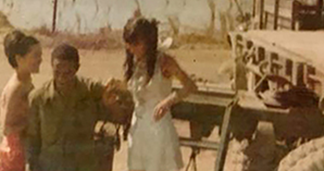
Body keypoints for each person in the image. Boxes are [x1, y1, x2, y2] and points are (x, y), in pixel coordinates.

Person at [27, 42, 130, 171]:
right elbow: (32, 142)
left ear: (77, 69)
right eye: (57, 71)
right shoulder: (39, 99)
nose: (62, 77)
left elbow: (121, 117)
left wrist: (111, 104)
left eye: (68, 72)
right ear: (51, 66)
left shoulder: (89, 94)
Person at [124, 16, 197, 171]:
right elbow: (135, 90)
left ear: (148, 42)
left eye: (136, 44)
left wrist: (168, 101)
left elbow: (190, 86)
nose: (131, 49)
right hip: (138, 126)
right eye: (130, 44)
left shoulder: (164, 61)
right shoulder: (135, 63)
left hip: (157, 127)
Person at [0, 30, 42, 171]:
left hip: (9, 147)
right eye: (35, 56)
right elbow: (8, 124)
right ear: (19, 59)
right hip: (14, 152)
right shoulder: (19, 87)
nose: (40, 60)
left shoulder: (22, 81)